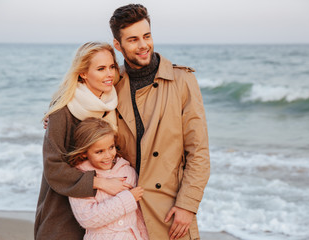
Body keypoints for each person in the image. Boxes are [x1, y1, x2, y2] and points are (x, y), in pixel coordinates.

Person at [110, 4, 210, 240]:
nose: (143, 45)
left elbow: (198, 151)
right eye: (133, 39)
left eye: (147, 36)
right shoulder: (111, 86)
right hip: (124, 212)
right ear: (118, 45)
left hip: (170, 212)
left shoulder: (182, 81)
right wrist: (55, 114)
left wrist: (187, 205)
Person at [35, 42, 134, 240]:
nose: (109, 74)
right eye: (100, 69)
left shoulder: (113, 103)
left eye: (112, 67)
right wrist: (100, 183)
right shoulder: (63, 109)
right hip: (64, 210)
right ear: (83, 73)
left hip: (106, 213)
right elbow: (52, 167)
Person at [67, 117, 149, 240]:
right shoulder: (81, 178)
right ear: (84, 152)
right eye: (99, 152)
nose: (108, 156)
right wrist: (127, 199)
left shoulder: (127, 171)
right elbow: (87, 218)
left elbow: (139, 217)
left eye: (111, 147)